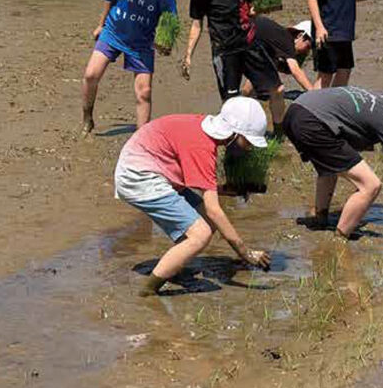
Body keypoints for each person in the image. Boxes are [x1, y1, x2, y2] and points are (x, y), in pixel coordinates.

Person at [114, 97, 272, 297]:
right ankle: (148, 290)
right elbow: (215, 210)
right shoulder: (203, 147)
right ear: (234, 134)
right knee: (201, 234)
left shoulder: (204, 129)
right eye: (247, 141)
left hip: (155, 169)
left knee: (204, 220)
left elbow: (196, 180)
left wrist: (225, 189)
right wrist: (244, 252)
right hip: (138, 176)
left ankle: (173, 267)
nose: (248, 148)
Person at [281, 83, 383, 238]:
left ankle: (320, 218)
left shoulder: (374, 103)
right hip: (312, 121)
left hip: (295, 111)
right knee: (371, 185)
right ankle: (340, 239)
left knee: (332, 166)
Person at [183, 0, 285, 126]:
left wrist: (256, 9)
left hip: (250, 45)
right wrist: (189, 54)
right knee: (231, 102)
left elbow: (258, 5)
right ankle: (234, 140)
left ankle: (279, 134)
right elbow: (196, 24)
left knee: (276, 89)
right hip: (224, 53)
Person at [81, 0, 177, 134]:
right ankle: (87, 118)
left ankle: (142, 137)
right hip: (113, 32)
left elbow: (170, 23)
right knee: (91, 75)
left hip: (141, 43)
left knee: (144, 92)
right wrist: (101, 25)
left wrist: (165, 44)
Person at [244, 17, 316, 99]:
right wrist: (313, 93)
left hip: (245, 35)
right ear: (300, 36)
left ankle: (245, 97)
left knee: (264, 66)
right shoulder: (287, 42)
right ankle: (244, 99)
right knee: (277, 89)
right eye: (308, 46)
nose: (307, 51)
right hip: (244, 36)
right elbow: (296, 71)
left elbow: (263, 67)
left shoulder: (279, 39)